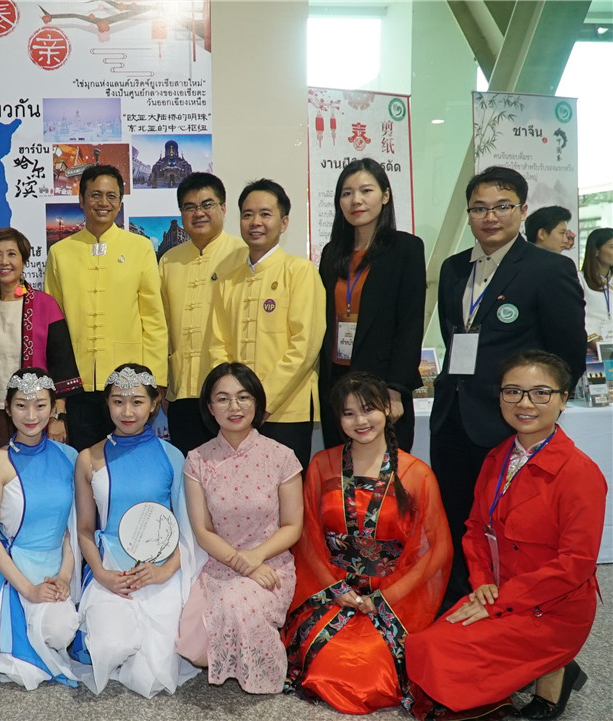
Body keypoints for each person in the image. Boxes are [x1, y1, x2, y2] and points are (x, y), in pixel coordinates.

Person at [407, 351, 605, 721]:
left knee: (443, 657)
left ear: (563, 399)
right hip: (498, 590)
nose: (524, 404)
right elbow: (475, 529)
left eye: (540, 393)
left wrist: (499, 603)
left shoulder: (580, 473)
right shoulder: (497, 457)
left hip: (551, 606)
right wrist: (482, 583)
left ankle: (555, 668)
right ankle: (544, 667)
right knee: (422, 647)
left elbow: (574, 565)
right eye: (513, 391)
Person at [430, 166, 586, 608]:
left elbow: (567, 355)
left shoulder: (548, 269)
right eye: (478, 208)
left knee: (509, 527)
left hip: (510, 424)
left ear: (523, 210)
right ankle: (458, 608)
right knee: (457, 519)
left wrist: (536, 410)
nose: (490, 217)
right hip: (453, 418)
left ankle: (509, 613)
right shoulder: (454, 268)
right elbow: (454, 337)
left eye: (501, 206)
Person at [284, 372, 451, 714]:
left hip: (392, 596)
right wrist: (335, 587)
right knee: (326, 664)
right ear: (338, 419)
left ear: (388, 410)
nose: (360, 421)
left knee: (371, 673)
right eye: (348, 413)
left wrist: (388, 596)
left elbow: (438, 549)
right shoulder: (321, 464)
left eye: (368, 409)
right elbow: (308, 537)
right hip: (332, 590)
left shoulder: (417, 473)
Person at [71, 363, 204, 698]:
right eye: (118, 401)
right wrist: (101, 573)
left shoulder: (173, 457)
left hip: (161, 572)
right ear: (107, 403)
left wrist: (164, 572)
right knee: (111, 647)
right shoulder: (89, 458)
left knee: (152, 677)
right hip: (111, 570)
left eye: (137, 402)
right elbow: (84, 529)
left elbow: (188, 531)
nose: (127, 412)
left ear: (155, 403)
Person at [177, 362, 303, 693]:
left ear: (257, 402)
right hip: (220, 564)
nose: (234, 407)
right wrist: (241, 563)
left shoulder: (282, 457)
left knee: (235, 604)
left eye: (243, 397)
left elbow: (293, 526)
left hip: (271, 565)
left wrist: (256, 559)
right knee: (193, 649)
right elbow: (203, 530)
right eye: (223, 399)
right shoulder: (197, 460)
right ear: (210, 407)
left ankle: (263, 670)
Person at [44, 165, 168, 451]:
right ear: (81, 200)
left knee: (128, 460)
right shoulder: (60, 252)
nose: (104, 203)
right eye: (95, 195)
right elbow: (53, 327)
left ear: (121, 202)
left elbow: (153, 318)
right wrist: (58, 387)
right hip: (77, 383)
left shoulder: (140, 248)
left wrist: (155, 378)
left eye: (111, 196)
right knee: (84, 463)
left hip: (129, 384)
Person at [0, 368, 80, 689]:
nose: (31, 416)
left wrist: (64, 576)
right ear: (7, 408)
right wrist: (29, 590)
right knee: (22, 669)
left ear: (53, 407)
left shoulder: (70, 457)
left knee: (62, 631)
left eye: (40, 405)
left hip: (56, 569)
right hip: (11, 571)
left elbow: (69, 529)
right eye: (21, 405)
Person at [207, 179, 326, 468]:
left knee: (286, 491)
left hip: (287, 411)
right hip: (236, 414)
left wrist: (262, 401)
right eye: (247, 214)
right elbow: (217, 344)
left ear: (283, 223)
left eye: (265, 214)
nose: (255, 222)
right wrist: (231, 400)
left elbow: (305, 346)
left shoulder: (300, 271)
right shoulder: (228, 278)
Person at [317, 159, 425, 451]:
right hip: (336, 384)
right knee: (340, 469)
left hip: (381, 386)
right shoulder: (331, 253)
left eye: (366, 190)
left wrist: (396, 388)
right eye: (347, 193)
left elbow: (410, 324)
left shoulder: (406, 249)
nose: (356, 200)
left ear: (385, 195)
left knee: (384, 472)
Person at [0, 228, 81, 460]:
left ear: (24, 260)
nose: (4, 262)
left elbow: (62, 365)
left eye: (12, 254)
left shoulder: (45, 305)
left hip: (35, 414)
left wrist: (57, 417)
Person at [159, 173, 247, 454]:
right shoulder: (169, 261)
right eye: (189, 207)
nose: (198, 213)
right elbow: (161, 325)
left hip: (229, 395)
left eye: (207, 204)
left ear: (223, 207)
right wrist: (163, 383)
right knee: (190, 471)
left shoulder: (243, 255)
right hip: (181, 391)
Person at [579, 227, 613, 347]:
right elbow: (578, 316)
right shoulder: (580, 279)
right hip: (590, 345)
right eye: (612, 246)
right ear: (596, 251)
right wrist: (593, 341)